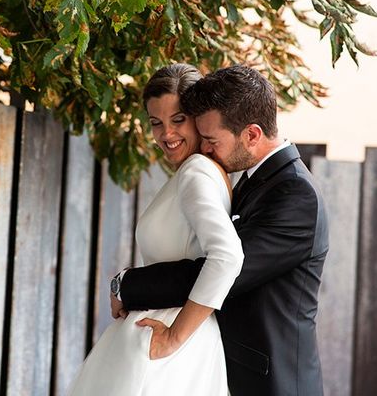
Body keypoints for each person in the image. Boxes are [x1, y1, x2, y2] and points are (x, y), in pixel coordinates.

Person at [112, 64, 329, 396]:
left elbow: (225, 268)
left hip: (272, 384)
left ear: (252, 134)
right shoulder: (250, 180)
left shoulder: (295, 195)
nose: (206, 149)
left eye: (211, 140)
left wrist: (128, 285)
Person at [67, 63, 244, 396]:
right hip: (178, 337)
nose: (166, 135)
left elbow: (228, 256)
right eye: (156, 123)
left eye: (178, 120)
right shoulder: (198, 172)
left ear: (199, 117)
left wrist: (175, 337)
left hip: (171, 346)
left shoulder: (196, 173)